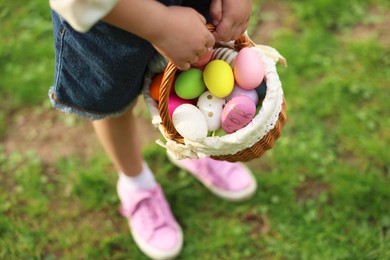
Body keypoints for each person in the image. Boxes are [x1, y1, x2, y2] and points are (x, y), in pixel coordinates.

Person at [49, 0, 256, 259]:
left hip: (193, 6)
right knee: (113, 106)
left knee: (195, 72)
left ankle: (193, 146)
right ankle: (136, 183)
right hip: (109, 23)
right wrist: (160, 24)